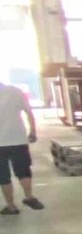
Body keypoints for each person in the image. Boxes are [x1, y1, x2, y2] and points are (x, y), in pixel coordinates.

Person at [0, 81, 42, 216]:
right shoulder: (15, 91)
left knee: (3, 176)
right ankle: (29, 197)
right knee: (23, 170)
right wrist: (33, 131)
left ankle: (11, 206)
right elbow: (29, 112)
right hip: (18, 139)